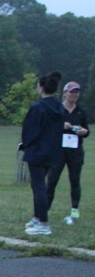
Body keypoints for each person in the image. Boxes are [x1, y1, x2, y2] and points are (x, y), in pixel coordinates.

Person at [21, 70, 68, 236]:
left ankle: (43, 223)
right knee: (38, 185)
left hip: (37, 151)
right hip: (53, 151)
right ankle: (37, 217)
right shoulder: (59, 107)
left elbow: (30, 130)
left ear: (41, 87)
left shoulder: (38, 108)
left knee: (39, 186)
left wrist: (25, 144)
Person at [47, 81, 89, 224]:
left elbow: (87, 131)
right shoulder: (57, 110)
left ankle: (74, 211)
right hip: (58, 151)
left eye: (77, 92)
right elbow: (48, 127)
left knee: (75, 180)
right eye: (71, 92)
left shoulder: (80, 112)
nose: (74, 95)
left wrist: (83, 131)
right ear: (65, 93)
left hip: (75, 151)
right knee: (52, 180)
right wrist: (61, 125)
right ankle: (45, 210)